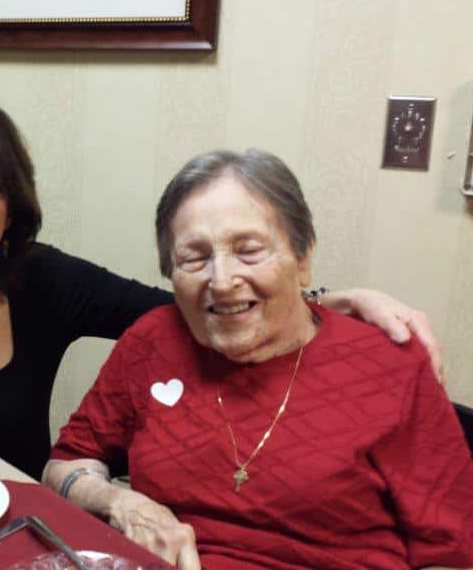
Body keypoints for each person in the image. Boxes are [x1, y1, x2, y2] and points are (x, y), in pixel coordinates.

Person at [0, 98, 442, 480]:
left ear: (9, 214)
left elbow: (191, 307)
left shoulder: (41, 280)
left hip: (20, 534)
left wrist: (313, 302)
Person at [44, 150, 473, 569]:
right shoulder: (152, 343)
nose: (222, 280)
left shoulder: (391, 367)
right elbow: (65, 464)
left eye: (249, 250)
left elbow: (453, 553)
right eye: (194, 257)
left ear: (303, 259)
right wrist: (121, 503)